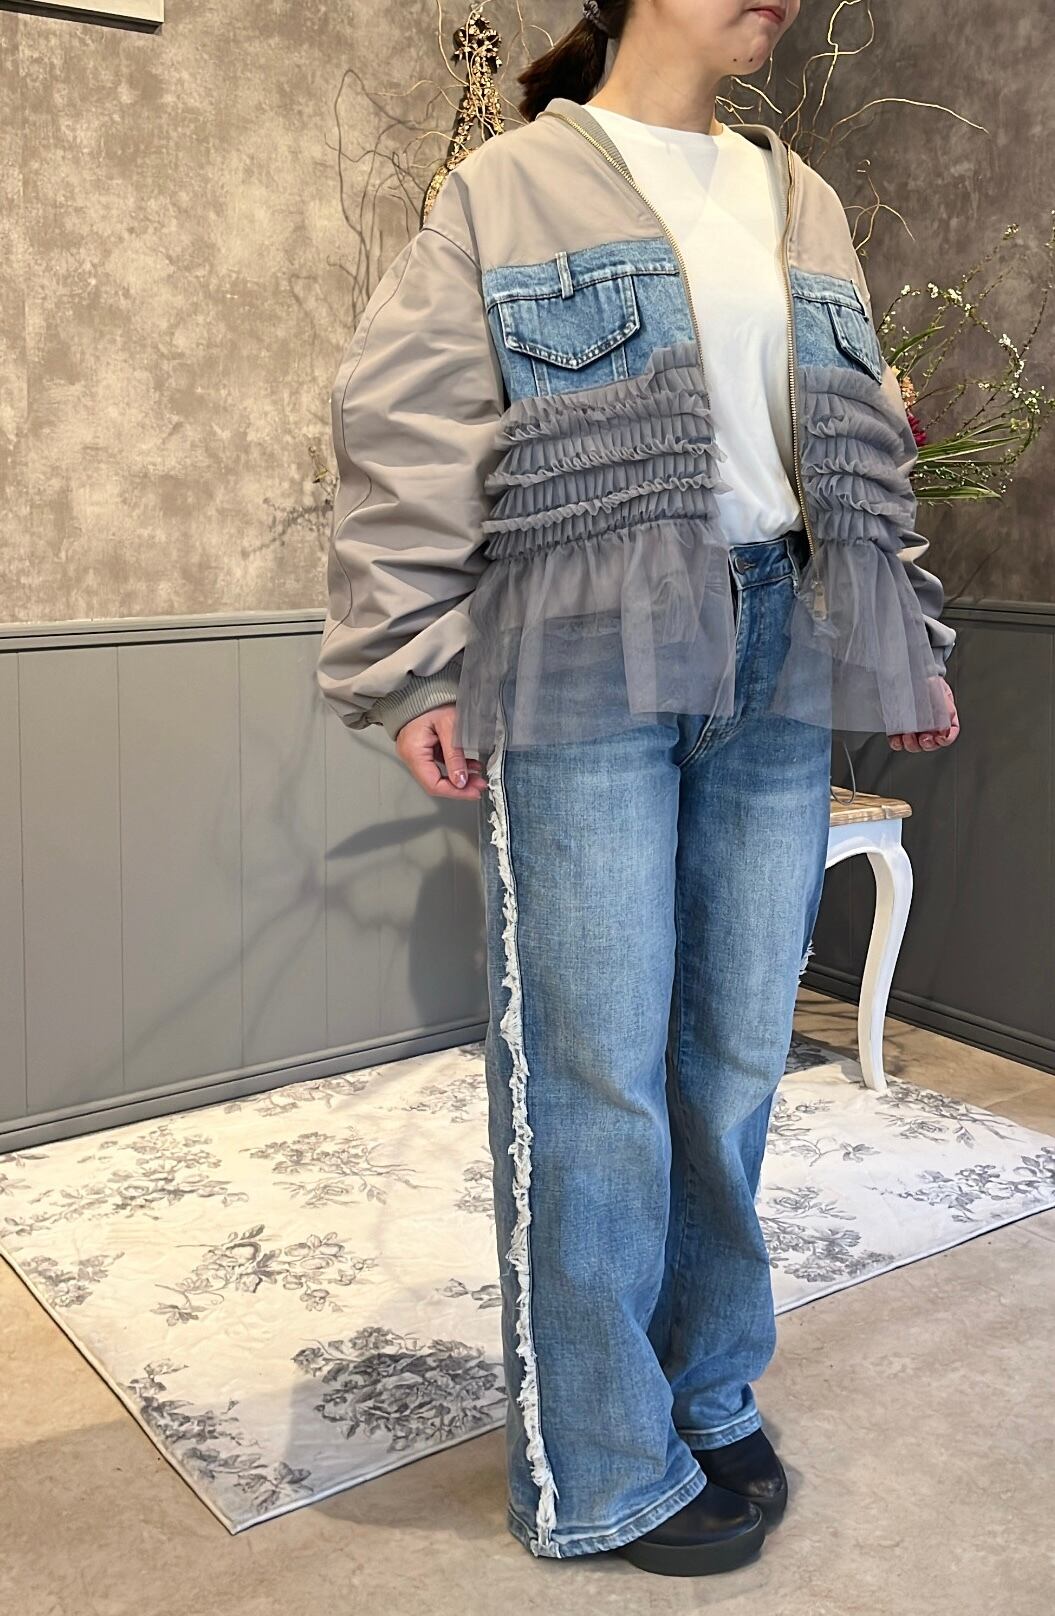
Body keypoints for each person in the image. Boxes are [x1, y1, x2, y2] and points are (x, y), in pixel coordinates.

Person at [316, 0, 961, 1579]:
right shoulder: (512, 188)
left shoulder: (801, 196)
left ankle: (705, 1379)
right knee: (592, 1068)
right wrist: (412, 663)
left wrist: (914, 635)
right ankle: (597, 1462)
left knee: (736, 1052)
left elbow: (857, 442)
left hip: (780, 647)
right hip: (582, 657)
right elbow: (406, 429)